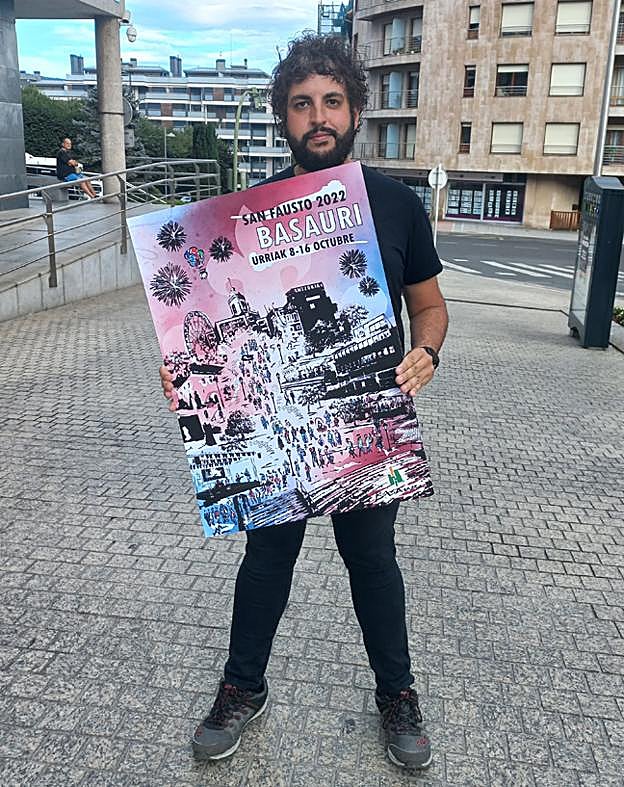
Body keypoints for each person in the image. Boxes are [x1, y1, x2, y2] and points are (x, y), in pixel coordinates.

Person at [159, 33, 448, 770]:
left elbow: (430, 306)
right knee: (266, 559)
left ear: (355, 112)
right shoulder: (242, 216)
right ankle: (242, 687)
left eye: (332, 101)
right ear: (282, 116)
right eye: (301, 104)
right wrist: (187, 373)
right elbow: (209, 321)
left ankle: (397, 694)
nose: (318, 117)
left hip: (366, 422)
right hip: (272, 420)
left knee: (373, 562)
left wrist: (427, 351)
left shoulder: (396, 205)